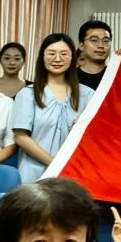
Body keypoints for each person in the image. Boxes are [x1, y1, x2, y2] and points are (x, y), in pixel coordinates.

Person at [11, 33, 93, 184]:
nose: (57, 59)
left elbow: (95, 138)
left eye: (64, 54)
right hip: (34, 176)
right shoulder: (27, 94)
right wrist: (56, 164)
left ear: (72, 57)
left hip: (75, 174)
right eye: (51, 53)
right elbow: (21, 137)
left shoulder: (88, 94)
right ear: (42, 57)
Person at [76, 19, 113, 90]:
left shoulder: (115, 76)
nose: (101, 45)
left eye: (106, 41)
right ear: (81, 46)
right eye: (94, 40)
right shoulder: (70, 78)